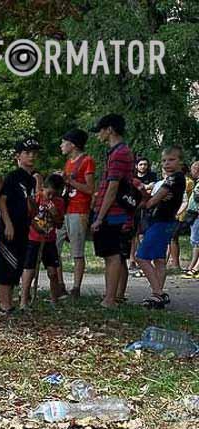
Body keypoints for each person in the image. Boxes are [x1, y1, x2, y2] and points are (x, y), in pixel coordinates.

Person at [90, 114, 136, 309]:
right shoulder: (117, 152)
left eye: (100, 130)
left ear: (109, 129)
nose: (99, 134)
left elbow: (113, 188)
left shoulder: (119, 154)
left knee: (113, 255)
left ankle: (110, 299)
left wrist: (100, 216)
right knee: (111, 254)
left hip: (114, 213)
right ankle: (111, 296)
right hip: (112, 212)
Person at [134, 146, 186, 308]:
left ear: (180, 161)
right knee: (159, 260)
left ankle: (158, 293)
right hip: (165, 221)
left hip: (161, 221)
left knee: (141, 257)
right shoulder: (170, 180)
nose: (166, 163)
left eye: (171, 160)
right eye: (164, 160)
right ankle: (157, 295)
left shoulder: (174, 179)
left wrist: (142, 194)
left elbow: (150, 202)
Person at [0, 137, 40, 316]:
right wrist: (8, 224)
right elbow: (2, 200)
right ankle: (4, 305)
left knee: (18, 264)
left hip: (24, 226)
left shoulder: (31, 179)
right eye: (27, 153)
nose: (31, 157)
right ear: (18, 156)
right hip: (10, 226)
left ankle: (11, 302)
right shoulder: (13, 177)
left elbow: (30, 202)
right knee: (7, 264)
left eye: (34, 153)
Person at [59, 128, 95, 298]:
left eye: (63, 142)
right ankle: (59, 283)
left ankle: (76, 287)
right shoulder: (68, 162)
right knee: (54, 245)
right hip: (65, 209)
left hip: (79, 209)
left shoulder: (87, 161)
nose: (61, 145)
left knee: (77, 250)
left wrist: (70, 181)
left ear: (72, 144)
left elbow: (89, 189)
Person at [22, 173, 67, 308]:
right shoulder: (36, 198)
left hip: (49, 240)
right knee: (29, 270)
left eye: (55, 195)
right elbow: (29, 216)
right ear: (43, 188)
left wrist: (54, 214)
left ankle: (54, 300)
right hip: (33, 239)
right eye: (49, 193)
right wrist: (37, 227)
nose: (51, 197)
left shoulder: (59, 203)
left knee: (53, 272)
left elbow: (59, 224)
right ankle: (24, 300)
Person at [167, 163, 194, 269]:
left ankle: (175, 263)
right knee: (171, 238)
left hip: (180, 214)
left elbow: (184, 199)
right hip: (173, 213)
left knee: (173, 238)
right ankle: (170, 261)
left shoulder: (186, 181)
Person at [185, 161, 199, 277]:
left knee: (196, 242)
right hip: (194, 215)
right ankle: (193, 265)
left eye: (193, 169)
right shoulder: (197, 183)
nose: (191, 172)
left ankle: (194, 267)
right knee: (194, 241)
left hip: (197, 215)